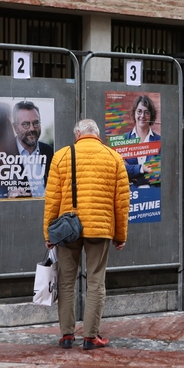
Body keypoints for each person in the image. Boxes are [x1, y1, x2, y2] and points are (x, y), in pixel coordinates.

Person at [43, 119, 129, 351]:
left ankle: (67, 335)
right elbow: (121, 203)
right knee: (95, 282)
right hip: (100, 229)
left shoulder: (61, 156)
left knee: (66, 281)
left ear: (78, 133)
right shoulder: (114, 158)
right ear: (97, 134)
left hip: (67, 231)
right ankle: (91, 337)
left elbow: (52, 200)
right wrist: (120, 236)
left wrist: (48, 233)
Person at [10, 101, 54, 197]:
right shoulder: (4, 153)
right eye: (26, 124)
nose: (32, 129)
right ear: (15, 127)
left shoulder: (50, 152)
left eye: (36, 123)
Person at [123, 95, 160, 188]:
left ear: (151, 115)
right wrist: (142, 168)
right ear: (134, 113)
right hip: (130, 196)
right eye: (139, 111)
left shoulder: (159, 141)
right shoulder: (124, 140)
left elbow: (158, 174)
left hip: (154, 196)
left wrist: (134, 177)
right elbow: (120, 171)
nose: (142, 116)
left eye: (146, 112)